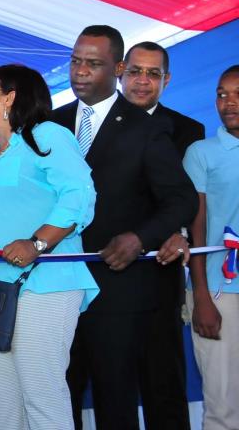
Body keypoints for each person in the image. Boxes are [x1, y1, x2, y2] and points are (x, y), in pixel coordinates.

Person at [50, 25, 197, 429]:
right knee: (59, 395)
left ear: (116, 68)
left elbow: (181, 199)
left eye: (92, 64)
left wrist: (140, 238)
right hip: (56, 285)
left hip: (118, 290)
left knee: (115, 398)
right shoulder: (51, 123)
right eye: (76, 62)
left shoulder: (146, 126)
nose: (80, 72)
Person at [0, 64, 98, 429]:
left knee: (42, 395)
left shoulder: (46, 135)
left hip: (43, 285)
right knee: (3, 405)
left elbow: (78, 195)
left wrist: (37, 242)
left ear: (9, 98)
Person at [121, 41, 204, 430]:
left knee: (164, 384)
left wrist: (181, 233)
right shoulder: (91, 123)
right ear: (121, 71)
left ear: (166, 80)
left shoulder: (188, 130)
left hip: (161, 269)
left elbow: (190, 197)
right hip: (101, 271)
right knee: (108, 384)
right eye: (136, 71)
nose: (143, 81)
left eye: (153, 74)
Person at [183, 65, 239, 430]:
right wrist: (200, 295)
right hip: (221, 291)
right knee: (223, 404)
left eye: (237, 94)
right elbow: (195, 228)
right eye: (221, 94)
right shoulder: (201, 152)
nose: (228, 102)